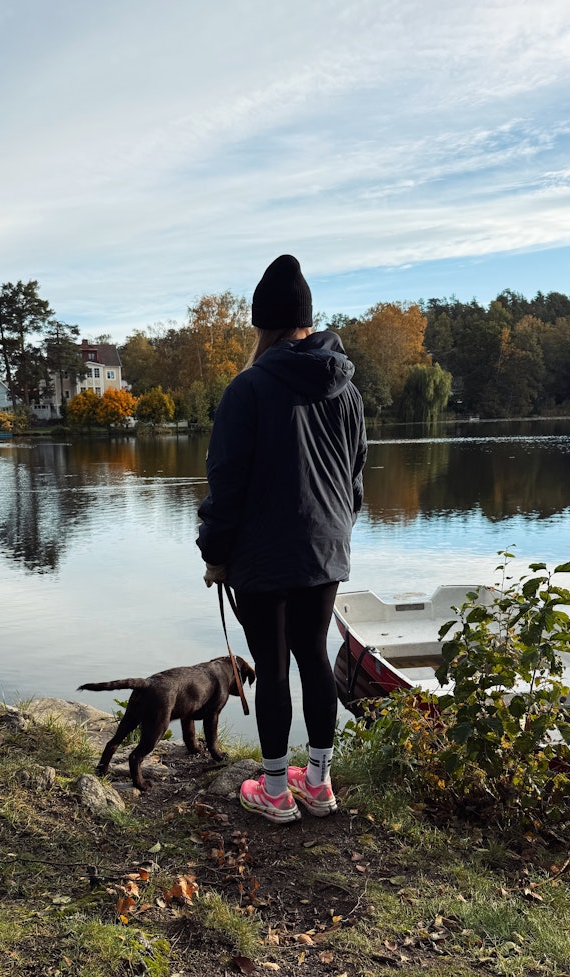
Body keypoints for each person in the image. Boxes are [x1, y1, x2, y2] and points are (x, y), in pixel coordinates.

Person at [196, 254, 368, 823]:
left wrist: (215, 554)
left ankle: (274, 791)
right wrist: (336, 531)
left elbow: (227, 484)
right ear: (308, 320)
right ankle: (317, 784)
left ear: (262, 324)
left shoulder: (247, 389)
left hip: (263, 555)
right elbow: (355, 476)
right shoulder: (346, 388)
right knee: (314, 657)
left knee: (270, 668)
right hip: (324, 550)